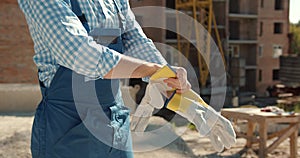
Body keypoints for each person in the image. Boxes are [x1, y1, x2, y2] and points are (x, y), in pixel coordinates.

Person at [18, 0, 191, 158]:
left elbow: (133, 38)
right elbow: (79, 53)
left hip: (115, 123)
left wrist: (166, 76)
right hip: (67, 128)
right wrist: (152, 70)